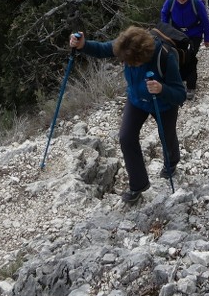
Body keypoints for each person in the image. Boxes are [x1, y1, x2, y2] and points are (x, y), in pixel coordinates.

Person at [69, 26, 186, 204]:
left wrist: (162, 89)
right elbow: (103, 49)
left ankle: (171, 163)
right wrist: (84, 45)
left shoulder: (164, 56)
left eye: (132, 63)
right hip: (137, 100)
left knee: (167, 136)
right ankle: (138, 185)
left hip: (163, 104)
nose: (127, 64)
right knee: (126, 137)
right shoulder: (125, 46)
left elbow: (180, 94)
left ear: (142, 58)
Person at [161, 0, 209, 101]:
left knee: (190, 57)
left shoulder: (196, 2)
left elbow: (205, 20)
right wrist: (165, 31)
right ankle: (179, 81)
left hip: (194, 33)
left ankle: (191, 86)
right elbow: (164, 14)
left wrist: (207, 38)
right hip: (177, 33)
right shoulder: (170, 1)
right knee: (176, 57)